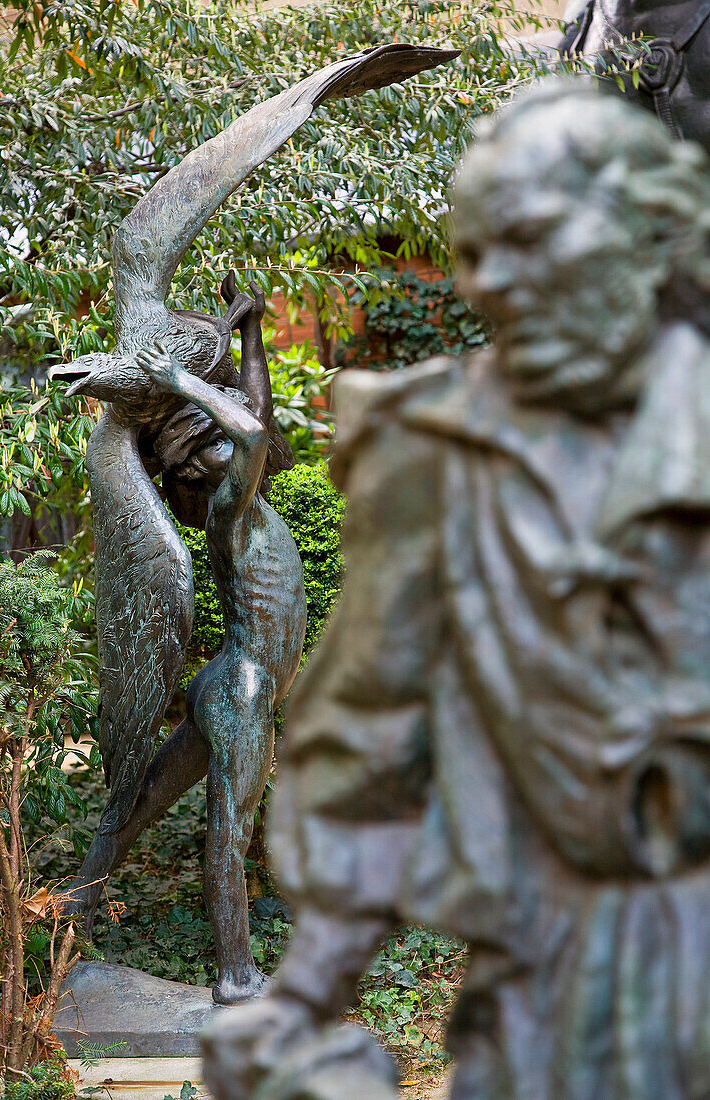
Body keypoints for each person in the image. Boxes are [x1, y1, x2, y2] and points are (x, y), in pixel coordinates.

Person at [203, 82, 710, 1097]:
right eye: (474, 250)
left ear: (645, 233)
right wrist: (301, 1003)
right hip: (542, 990)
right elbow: (368, 743)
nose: (489, 282)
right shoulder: (433, 452)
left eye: (527, 239)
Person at [71, 280, 307, 1005]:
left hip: (226, 681)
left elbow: (255, 421)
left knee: (142, 801)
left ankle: (77, 899)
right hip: (244, 686)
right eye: (200, 452)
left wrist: (253, 334)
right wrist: (178, 380)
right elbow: (253, 434)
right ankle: (237, 976)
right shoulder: (229, 512)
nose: (219, 451)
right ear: (192, 474)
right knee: (227, 832)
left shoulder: (243, 498)